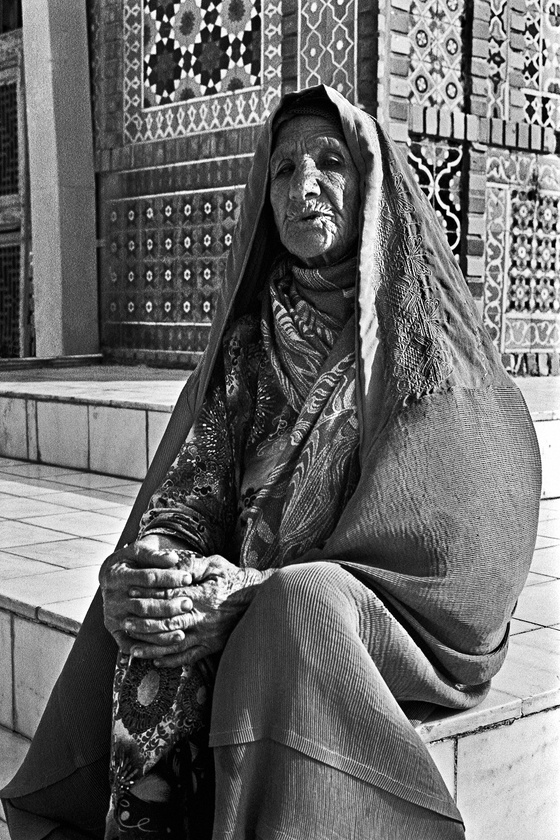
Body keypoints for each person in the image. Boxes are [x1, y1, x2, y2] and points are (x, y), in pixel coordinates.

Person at [1, 85, 541, 840]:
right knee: (152, 616)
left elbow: (459, 543)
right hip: (252, 590)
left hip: (382, 615)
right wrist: (158, 560)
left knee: (296, 612)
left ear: (370, 187)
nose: (304, 186)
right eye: (283, 170)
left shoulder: (427, 350)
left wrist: (251, 592)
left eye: (329, 163)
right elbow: (194, 485)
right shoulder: (251, 347)